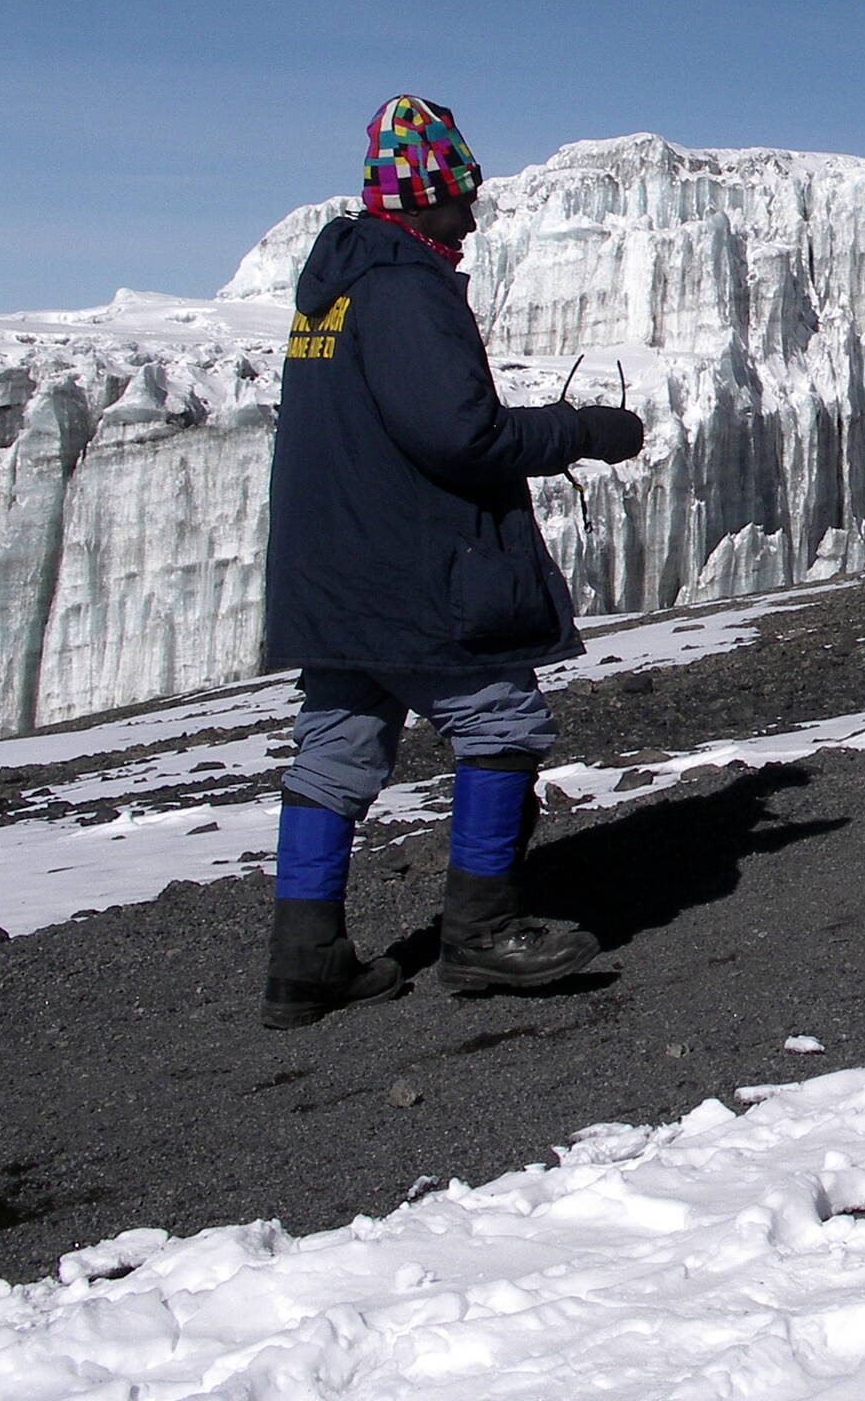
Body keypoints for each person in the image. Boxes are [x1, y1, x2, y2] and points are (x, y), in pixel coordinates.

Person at [258, 96, 646, 1029]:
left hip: (336, 564)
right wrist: (579, 431)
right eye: (461, 197)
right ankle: (483, 934)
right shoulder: (404, 286)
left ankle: (304, 960)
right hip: (411, 562)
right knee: (500, 719)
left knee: (338, 745)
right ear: (422, 196)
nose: (471, 218)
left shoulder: (339, 288)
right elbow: (455, 436)